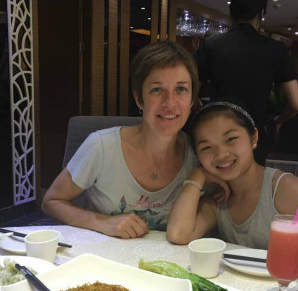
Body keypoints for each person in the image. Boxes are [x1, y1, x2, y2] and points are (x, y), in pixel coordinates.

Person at [41, 41, 199, 239]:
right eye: (157, 90)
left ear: (192, 100)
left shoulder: (199, 155)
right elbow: (51, 202)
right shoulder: (102, 147)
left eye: (181, 89)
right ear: (139, 99)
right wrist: (102, 222)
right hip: (102, 255)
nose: (170, 103)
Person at [166, 100, 298, 271]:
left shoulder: (287, 191)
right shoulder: (217, 198)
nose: (221, 154)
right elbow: (178, 234)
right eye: (206, 147)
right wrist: (197, 176)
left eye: (231, 139)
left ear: (253, 137)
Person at [194, 0, 298, 164]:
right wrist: (278, 121)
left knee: (216, 179)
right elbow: (296, 104)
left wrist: (206, 115)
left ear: (232, 13)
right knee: (252, 181)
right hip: (256, 134)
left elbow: (190, 94)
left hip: (217, 132)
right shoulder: (276, 49)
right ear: (261, 14)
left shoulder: (211, 45)